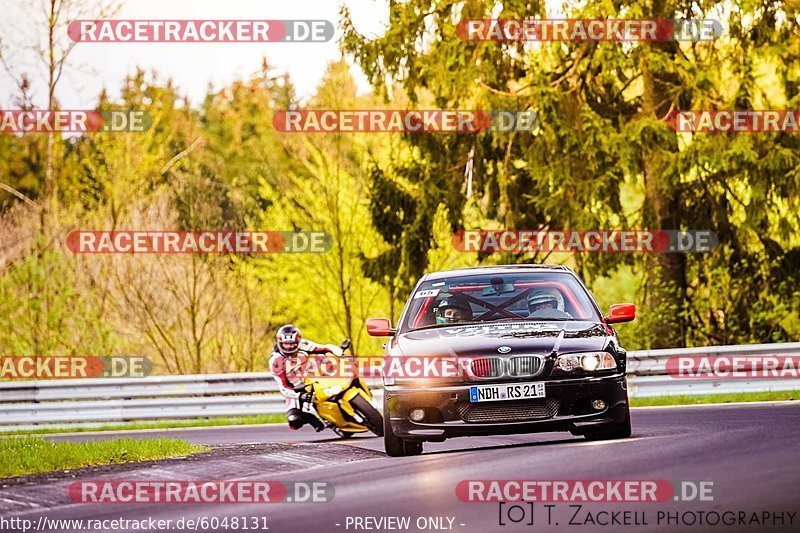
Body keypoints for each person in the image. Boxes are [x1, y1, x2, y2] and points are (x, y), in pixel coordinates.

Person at [269, 324, 342, 432]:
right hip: (296, 388)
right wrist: (299, 396)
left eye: (293, 344)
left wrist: (340, 353)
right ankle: (312, 418)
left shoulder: (305, 345)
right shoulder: (275, 360)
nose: (289, 347)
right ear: (279, 343)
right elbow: (283, 386)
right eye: (286, 344)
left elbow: (325, 347)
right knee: (294, 421)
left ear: (298, 342)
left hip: (317, 376)